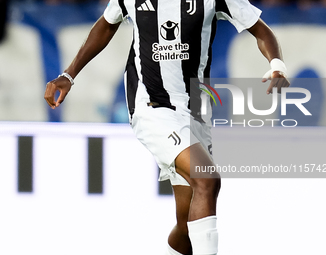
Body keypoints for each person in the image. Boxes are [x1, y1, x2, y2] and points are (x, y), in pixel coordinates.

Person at [44, 0, 290, 254]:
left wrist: (277, 65)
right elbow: (107, 25)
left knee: (186, 226)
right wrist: (69, 74)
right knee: (207, 179)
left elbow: (260, 30)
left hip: (196, 112)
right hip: (152, 106)